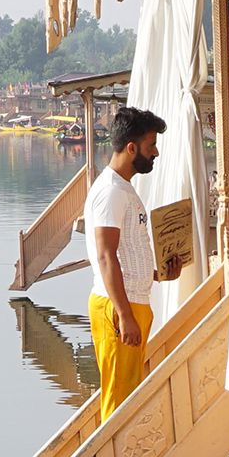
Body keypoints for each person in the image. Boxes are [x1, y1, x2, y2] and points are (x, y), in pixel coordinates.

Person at [85, 106, 165, 420]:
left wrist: (157, 274)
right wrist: (124, 314)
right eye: (150, 146)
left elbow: (126, 253)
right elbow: (106, 256)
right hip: (119, 308)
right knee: (119, 402)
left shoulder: (123, 189)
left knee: (128, 395)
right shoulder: (110, 192)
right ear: (131, 148)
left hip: (131, 302)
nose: (155, 152)